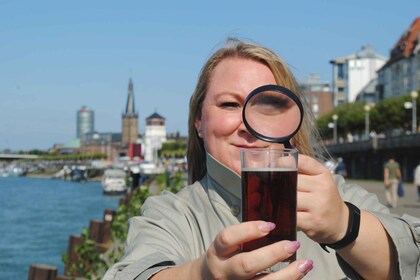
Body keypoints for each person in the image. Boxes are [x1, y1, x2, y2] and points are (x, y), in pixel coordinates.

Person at [104, 38, 420, 279]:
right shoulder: (171, 215)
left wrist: (344, 225)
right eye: (229, 104)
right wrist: (203, 272)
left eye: (267, 106)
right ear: (199, 121)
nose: (248, 124)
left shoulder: (341, 197)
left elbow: (411, 257)